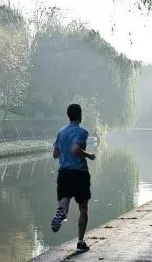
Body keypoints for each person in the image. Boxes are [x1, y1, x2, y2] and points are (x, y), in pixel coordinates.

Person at [51, 103, 95, 253]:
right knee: (83, 208)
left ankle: (61, 212)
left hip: (64, 172)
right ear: (80, 115)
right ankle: (81, 242)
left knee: (64, 201)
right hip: (79, 173)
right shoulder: (82, 132)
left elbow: (55, 154)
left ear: (68, 115)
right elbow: (76, 149)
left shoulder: (61, 132)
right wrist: (89, 155)